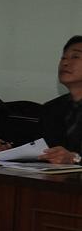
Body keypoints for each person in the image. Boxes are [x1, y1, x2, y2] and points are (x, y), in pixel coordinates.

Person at [36, 34, 82, 165]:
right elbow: (38, 151)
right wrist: (7, 149)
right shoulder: (51, 108)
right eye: (63, 58)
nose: (65, 63)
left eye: (75, 57)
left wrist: (75, 159)